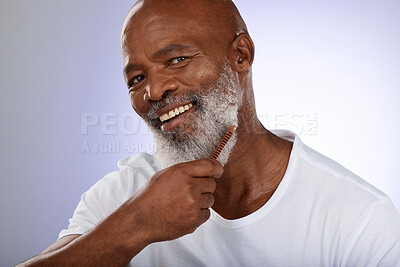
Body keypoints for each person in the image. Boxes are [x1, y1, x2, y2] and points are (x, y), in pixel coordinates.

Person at [19, 0, 400, 266]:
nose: (153, 91)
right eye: (137, 79)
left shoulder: (360, 219)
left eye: (177, 59)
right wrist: (136, 225)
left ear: (241, 56)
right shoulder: (125, 196)